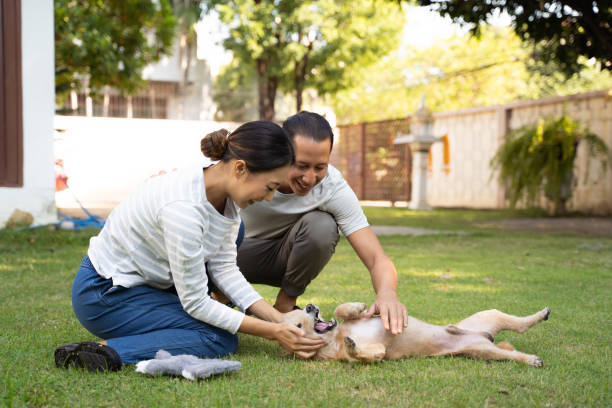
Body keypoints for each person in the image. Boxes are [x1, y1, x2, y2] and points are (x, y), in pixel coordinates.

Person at [55, 120, 325, 372]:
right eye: (269, 187)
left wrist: (279, 319)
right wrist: (273, 332)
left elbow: (225, 269)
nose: (268, 198)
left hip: (144, 287)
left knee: (235, 239)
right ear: (240, 168)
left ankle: (157, 329)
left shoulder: (224, 196)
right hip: (105, 295)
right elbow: (196, 302)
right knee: (217, 338)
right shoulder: (183, 209)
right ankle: (104, 351)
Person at [236, 112, 408, 335]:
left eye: (319, 167)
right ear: (282, 153)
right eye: (301, 165)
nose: (309, 178)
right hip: (230, 254)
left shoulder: (332, 187)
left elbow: (377, 257)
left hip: (279, 259)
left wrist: (387, 294)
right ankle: (223, 297)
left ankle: (285, 305)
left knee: (322, 225)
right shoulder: (249, 168)